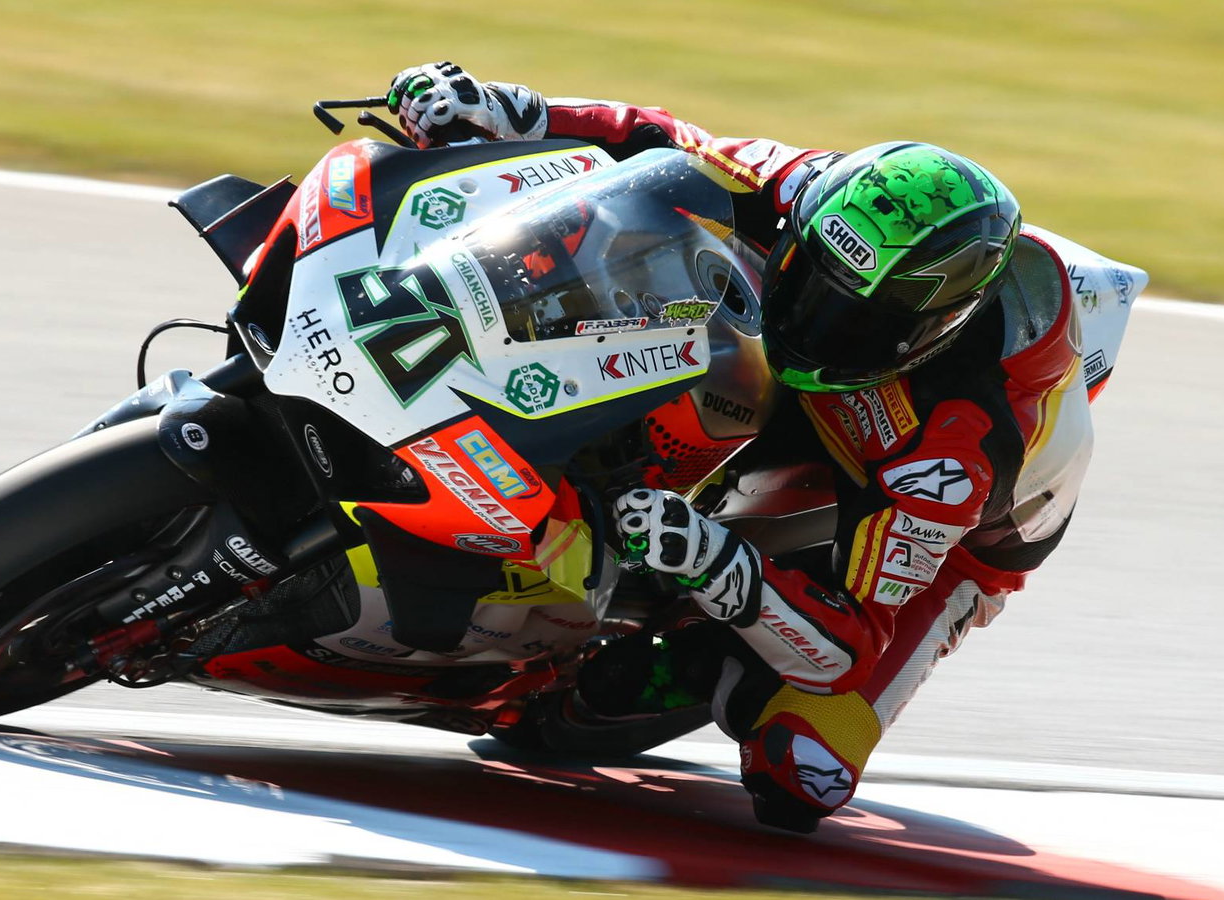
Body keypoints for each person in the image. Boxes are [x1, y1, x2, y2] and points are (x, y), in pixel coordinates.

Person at [387, 62, 1110, 832]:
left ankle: (700, 658)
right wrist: (513, 112)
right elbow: (666, 143)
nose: (812, 316)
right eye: (812, 275)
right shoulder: (826, 192)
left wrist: (711, 560)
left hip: (957, 540)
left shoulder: (948, 457)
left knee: (802, 772)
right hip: (835, 396)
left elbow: (849, 644)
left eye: (849, 316)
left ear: (928, 332)